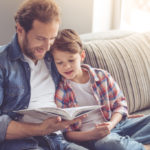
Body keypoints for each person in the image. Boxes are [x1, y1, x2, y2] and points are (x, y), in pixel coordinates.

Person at [0, 1, 90, 150]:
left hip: (57, 139)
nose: (47, 46)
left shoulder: (53, 56)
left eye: (52, 38)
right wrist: (41, 129)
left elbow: (82, 76)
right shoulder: (3, 63)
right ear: (20, 30)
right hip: (21, 142)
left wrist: (113, 113)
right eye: (40, 38)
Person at [50, 29, 150, 150]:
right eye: (59, 62)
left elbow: (120, 105)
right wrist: (91, 134)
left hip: (117, 124)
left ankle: (129, 145)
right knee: (110, 143)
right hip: (94, 137)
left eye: (71, 60)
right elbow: (67, 133)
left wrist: (111, 124)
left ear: (82, 56)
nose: (66, 66)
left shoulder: (102, 76)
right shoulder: (61, 93)